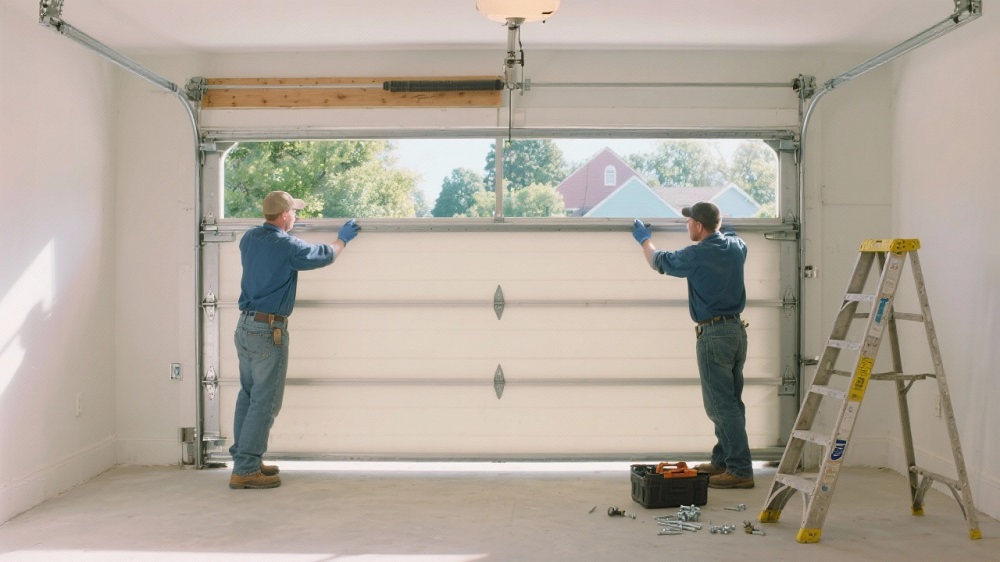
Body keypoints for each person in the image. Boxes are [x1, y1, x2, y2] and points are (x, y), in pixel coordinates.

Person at [228, 190, 360, 489]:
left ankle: (244, 459)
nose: (297, 217)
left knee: (248, 396)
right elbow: (325, 255)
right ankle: (246, 469)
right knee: (265, 402)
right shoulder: (287, 247)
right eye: (295, 213)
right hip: (267, 331)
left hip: (245, 327)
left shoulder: (250, 238)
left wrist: (286, 231)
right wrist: (342, 239)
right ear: (285, 214)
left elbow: (274, 248)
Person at [631, 202, 753, 489]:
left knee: (720, 407)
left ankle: (740, 470)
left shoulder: (696, 255)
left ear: (698, 225)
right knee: (731, 403)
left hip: (714, 336)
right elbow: (735, 238)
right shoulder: (736, 247)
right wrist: (723, 229)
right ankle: (723, 461)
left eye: (688, 222)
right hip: (736, 332)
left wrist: (644, 239)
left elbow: (657, 261)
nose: (687, 225)